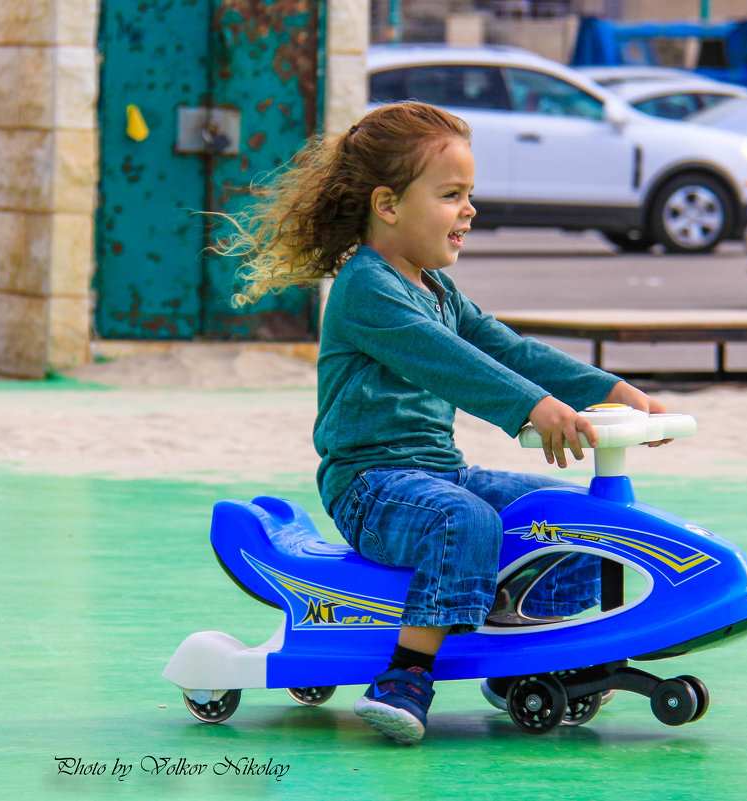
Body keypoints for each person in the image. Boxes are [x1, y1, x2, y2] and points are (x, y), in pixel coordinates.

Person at [227, 101, 667, 745]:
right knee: (463, 520)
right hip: (370, 485)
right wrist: (531, 409)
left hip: (439, 471)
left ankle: (529, 653)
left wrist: (609, 389)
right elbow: (452, 364)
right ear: (388, 205)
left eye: (470, 194)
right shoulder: (368, 288)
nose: (470, 210)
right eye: (451, 194)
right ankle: (406, 674)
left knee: (569, 517)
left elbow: (505, 348)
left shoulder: (433, 286)